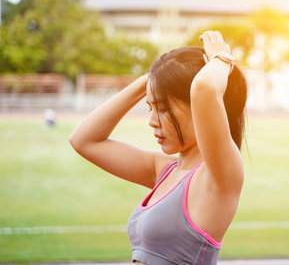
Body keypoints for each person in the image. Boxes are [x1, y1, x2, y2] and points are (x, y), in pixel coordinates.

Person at [69, 30, 247, 265]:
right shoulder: (164, 171)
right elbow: (84, 140)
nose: (152, 120)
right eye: (150, 107)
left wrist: (222, 58)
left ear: (197, 108)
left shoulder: (218, 177)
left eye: (163, 108)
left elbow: (204, 89)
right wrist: (156, 76)